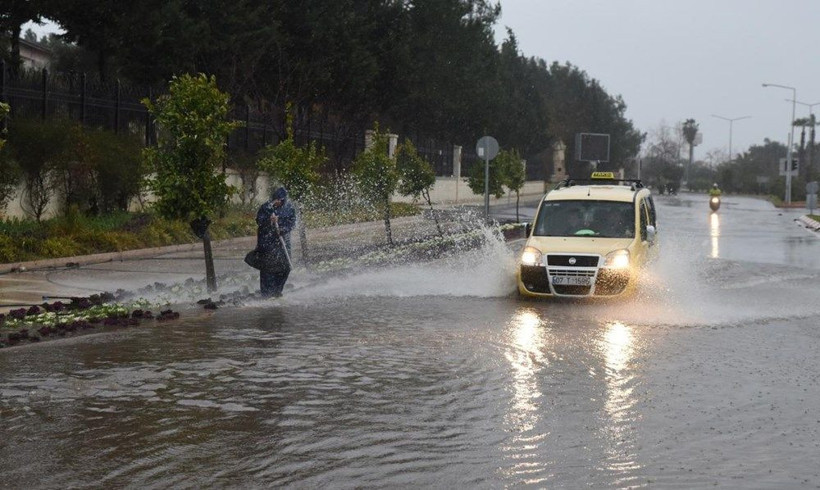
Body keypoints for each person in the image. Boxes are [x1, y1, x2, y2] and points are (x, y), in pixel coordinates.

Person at [256, 187, 296, 297]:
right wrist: (270, 220)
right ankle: (267, 294)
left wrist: (282, 229)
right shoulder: (266, 208)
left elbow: (292, 223)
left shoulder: (289, 208)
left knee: (285, 268)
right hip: (267, 244)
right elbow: (259, 221)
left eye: (281, 200)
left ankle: (277, 291)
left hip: (283, 244)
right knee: (268, 270)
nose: (278, 202)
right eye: (277, 199)